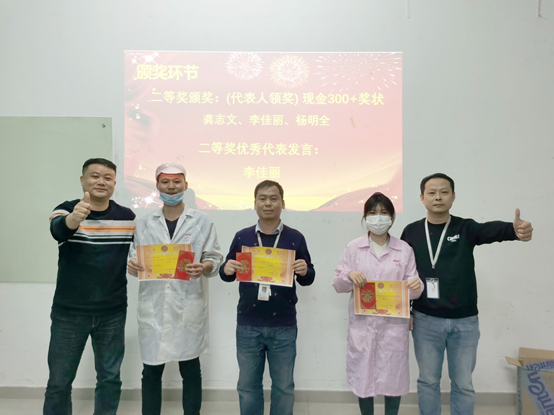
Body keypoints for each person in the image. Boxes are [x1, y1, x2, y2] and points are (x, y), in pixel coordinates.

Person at [400, 173, 533, 415]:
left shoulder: (465, 227)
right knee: (428, 381)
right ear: (422, 197)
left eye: (444, 192)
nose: (438, 197)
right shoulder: (411, 232)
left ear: (453, 197)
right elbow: (403, 274)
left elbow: (489, 231)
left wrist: (514, 230)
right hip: (425, 320)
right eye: (432, 192)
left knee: (463, 383)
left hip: (465, 322)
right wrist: (406, 311)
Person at [127, 162, 223, 415]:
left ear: (185, 185)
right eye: (165, 182)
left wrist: (204, 266)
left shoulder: (202, 220)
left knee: (190, 369)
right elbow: (133, 259)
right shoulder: (145, 223)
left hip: (187, 303)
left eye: (176, 182)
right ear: (157, 186)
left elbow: (214, 257)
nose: (171, 187)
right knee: (151, 370)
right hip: (154, 304)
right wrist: (132, 265)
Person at [44, 158, 136, 415]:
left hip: (112, 313)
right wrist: (74, 218)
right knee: (59, 381)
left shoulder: (127, 217)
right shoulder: (66, 209)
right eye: (95, 176)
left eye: (108, 177)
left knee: (110, 378)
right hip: (69, 313)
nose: (101, 181)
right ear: (83, 180)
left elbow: (138, 252)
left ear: (114, 184)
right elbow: (58, 231)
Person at [220, 180, 315, 415]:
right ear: (255, 204)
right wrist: (226, 268)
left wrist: (305, 270)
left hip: (283, 325)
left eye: (273, 198)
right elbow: (226, 273)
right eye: (262, 199)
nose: (268, 203)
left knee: (284, 386)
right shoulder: (242, 237)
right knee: (247, 385)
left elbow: (308, 277)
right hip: (248, 323)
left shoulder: (295, 238)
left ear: (283, 203)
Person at [333, 192, 423, 415]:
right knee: (363, 379)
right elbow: (338, 285)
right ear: (365, 217)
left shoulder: (404, 249)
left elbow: (413, 289)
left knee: (393, 379)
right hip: (363, 326)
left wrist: (416, 286)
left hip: (393, 327)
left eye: (383, 213)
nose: (378, 218)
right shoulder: (354, 248)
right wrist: (350, 275)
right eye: (373, 213)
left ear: (392, 217)